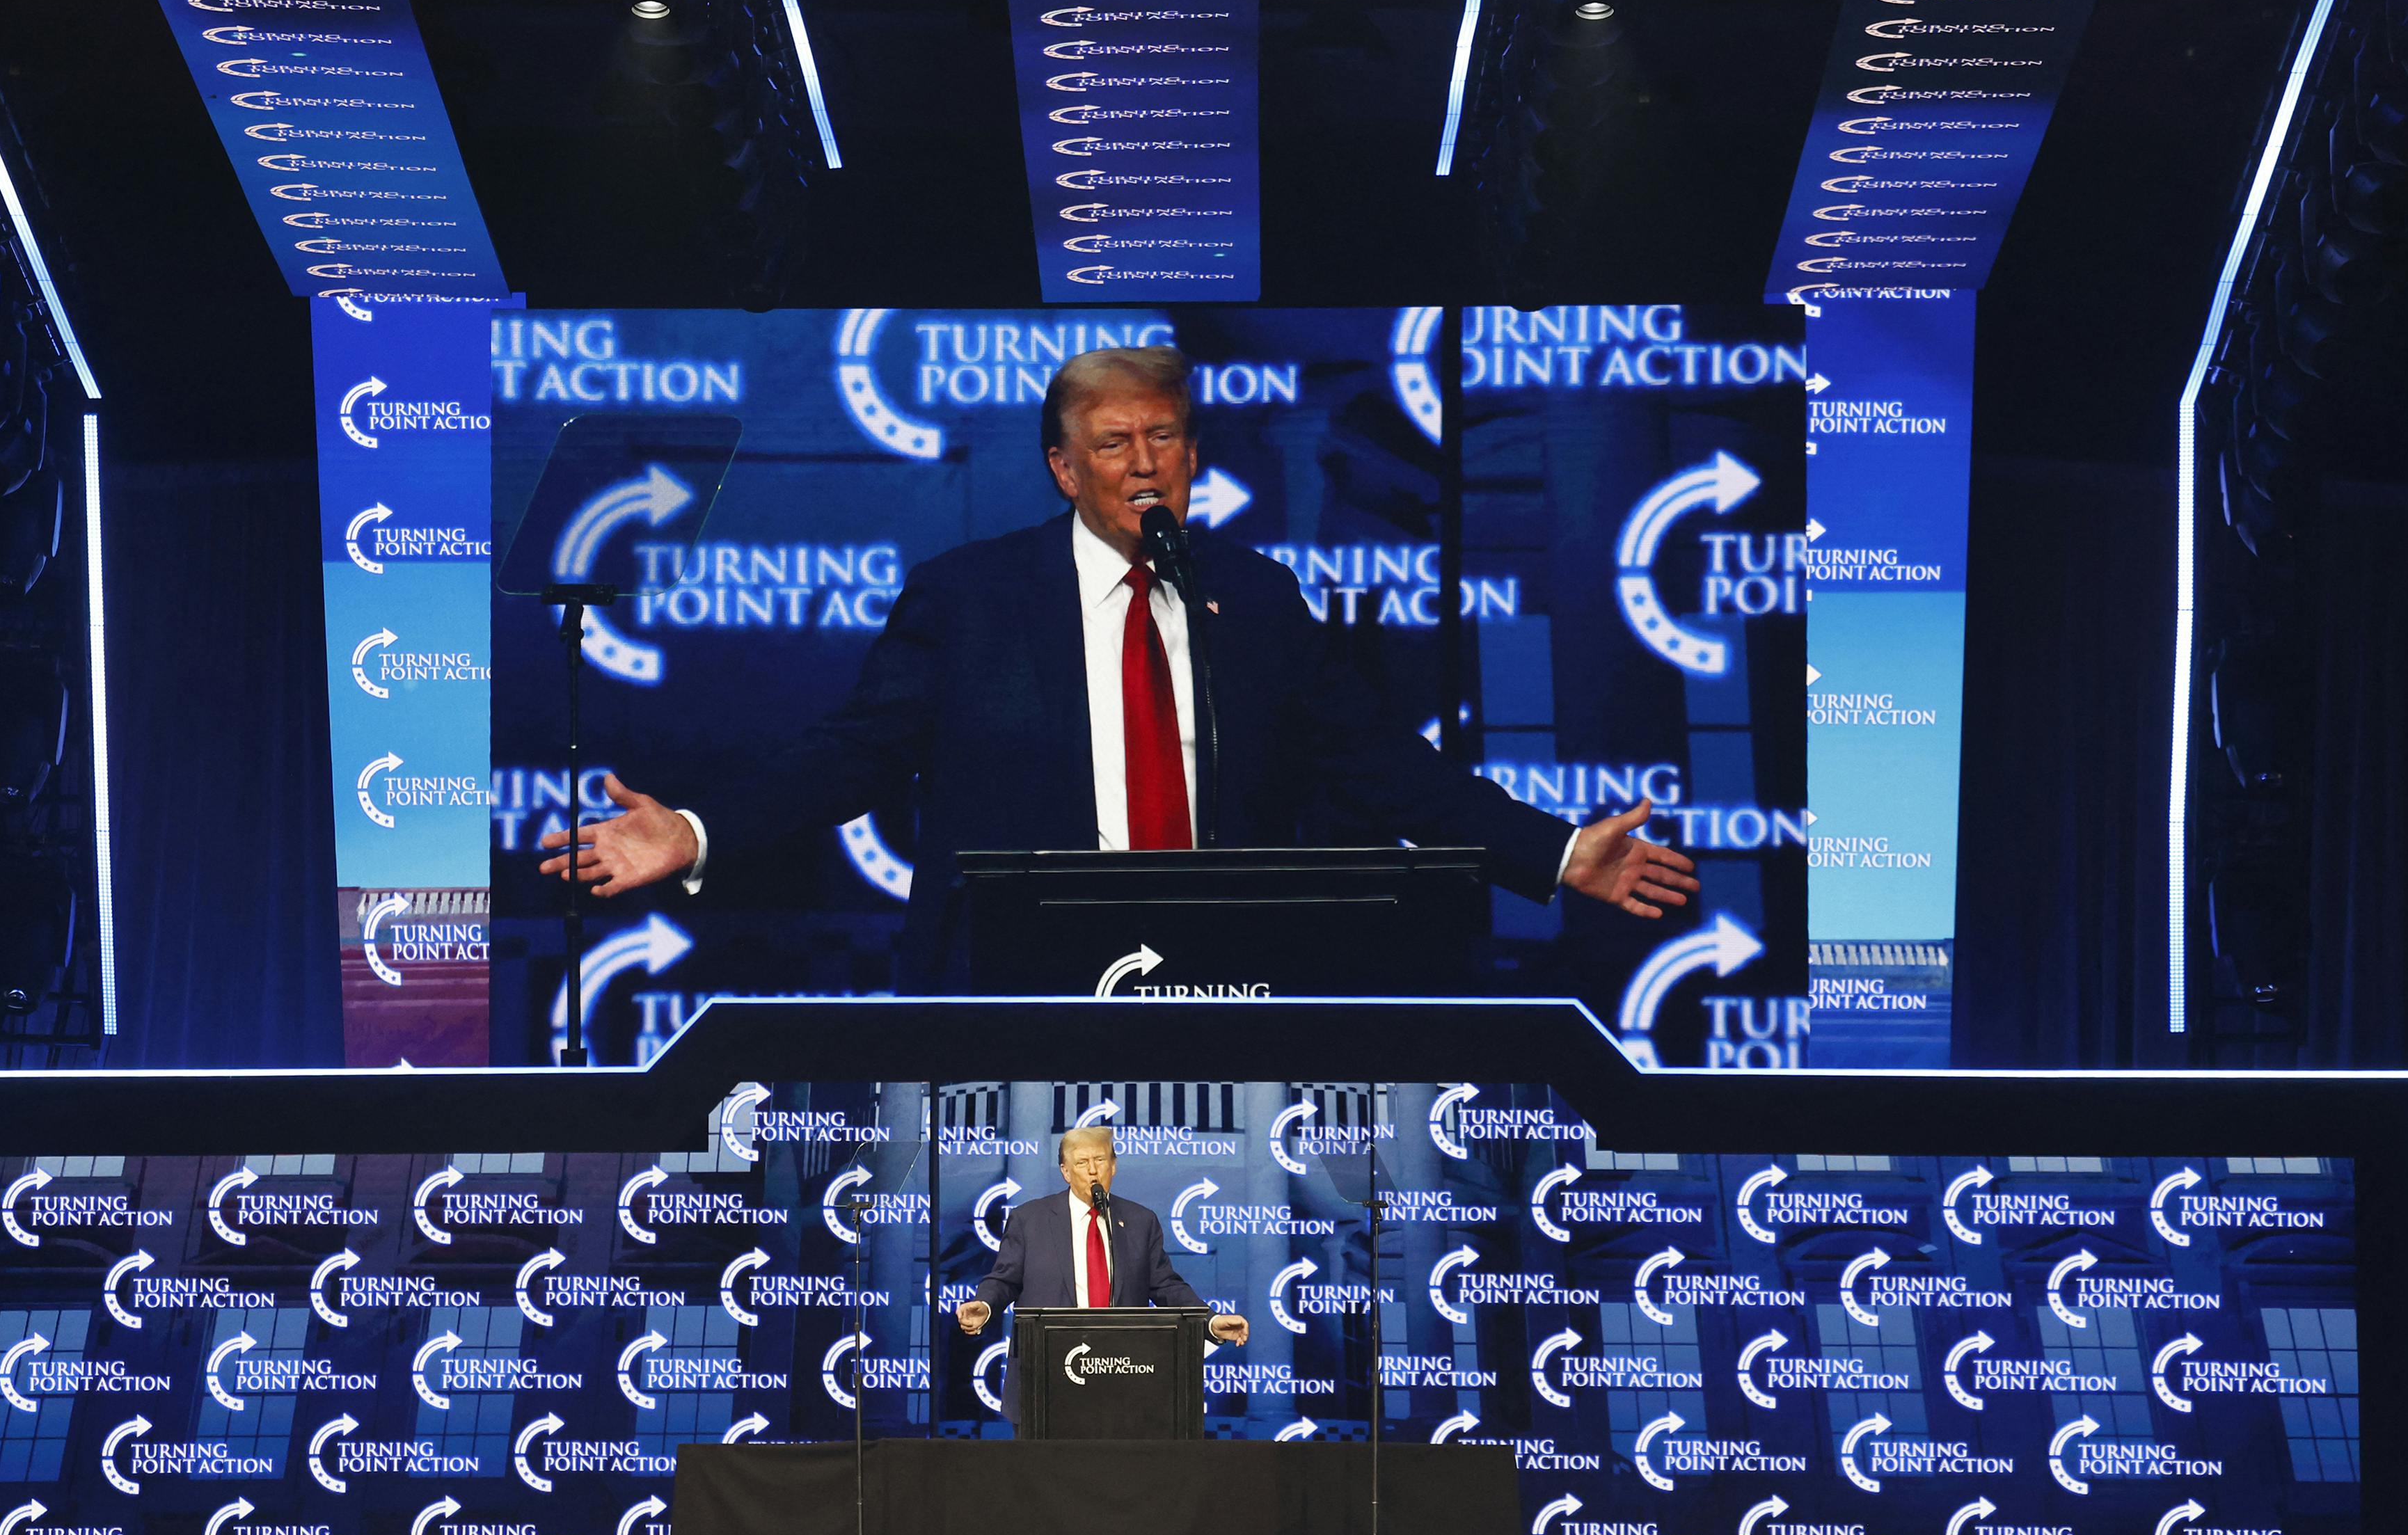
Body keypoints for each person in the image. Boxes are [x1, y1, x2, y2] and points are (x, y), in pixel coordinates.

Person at [539, 345, 1697, 985]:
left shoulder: (1257, 597)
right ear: (1062, 468)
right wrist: (693, 831)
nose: (1144, 463)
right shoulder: (970, 599)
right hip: (1012, 988)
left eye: (1164, 439)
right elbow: (849, 759)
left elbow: (1385, 768)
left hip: (1224, 989)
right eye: (1113, 443)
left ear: (1194, 456)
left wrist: (1550, 850)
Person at [957, 1125, 1249, 1360]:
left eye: (1100, 1161)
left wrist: (1210, 1322)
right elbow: (1005, 1279)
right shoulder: (1029, 1219)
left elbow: (1166, 1287)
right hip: (1046, 1367)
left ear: (1114, 1167)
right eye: (1082, 1163)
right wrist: (986, 1305)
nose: (1093, 1171)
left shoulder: (1140, 1221)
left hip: (1122, 1368)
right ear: (1066, 1172)